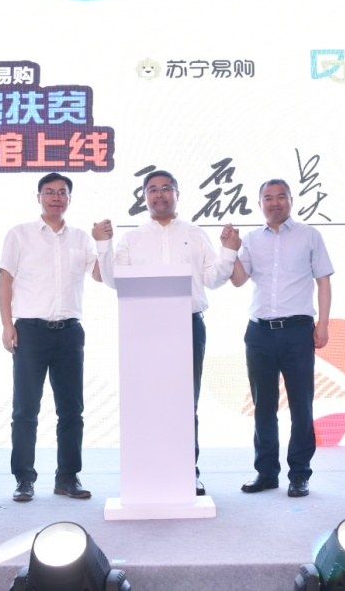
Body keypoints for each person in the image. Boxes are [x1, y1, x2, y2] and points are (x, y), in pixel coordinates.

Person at [95, 169, 239, 497]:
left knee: (185, 402)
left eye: (165, 189)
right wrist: (103, 244)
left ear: (177, 193)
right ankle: (147, 471)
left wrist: (228, 251)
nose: (159, 195)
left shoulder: (195, 234)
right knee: (145, 401)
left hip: (188, 324)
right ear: (144, 196)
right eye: (152, 190)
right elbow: (113, 281)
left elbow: (213, 279)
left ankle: (188, 472)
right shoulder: (131, 238)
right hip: (143, 327)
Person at [0, 172, 104, 503]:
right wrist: (7, 324)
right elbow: (5, 280)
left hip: (69, 332)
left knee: (71, 410)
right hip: (30, 331)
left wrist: (103, 243)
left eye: (62, 192)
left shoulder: (82, 238)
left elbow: (101, 275)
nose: (56, 197)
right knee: (25, 410)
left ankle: (67, 477)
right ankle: (24, 479)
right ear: (39, 197)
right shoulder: (20, 234)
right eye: (49, 192)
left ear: (70, 199)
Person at [226, 179, 333, 498]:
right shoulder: (250, 240)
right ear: (260, 203)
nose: (275, 203)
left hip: (298, 330)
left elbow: (324, 282)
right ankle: (266, 472)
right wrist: (231, 250)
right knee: (263, 406)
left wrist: (323, 324)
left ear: (291, 200)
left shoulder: (309, 235)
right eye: (268, 198)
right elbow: (238, 280)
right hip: (259, 332)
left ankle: (299, 473)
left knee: (301, 405)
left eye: (281, 197)